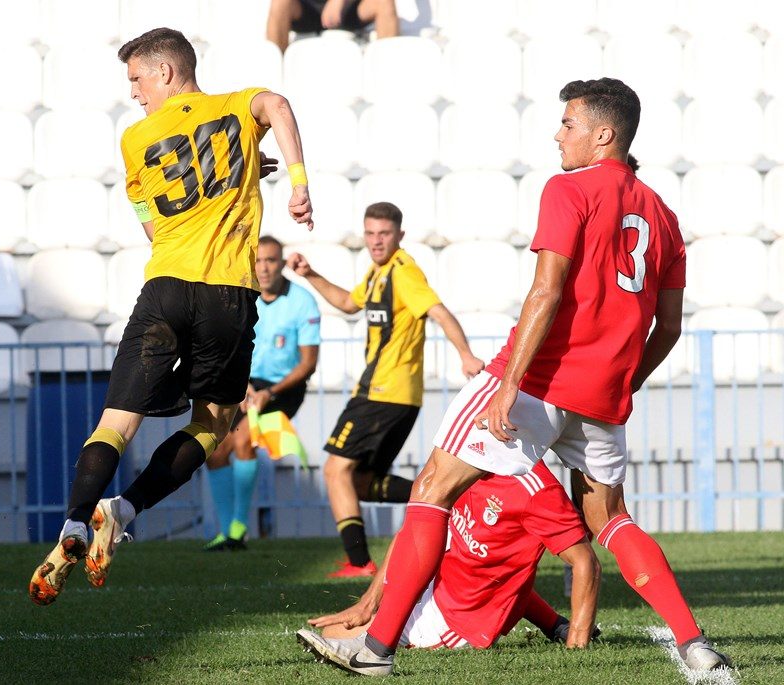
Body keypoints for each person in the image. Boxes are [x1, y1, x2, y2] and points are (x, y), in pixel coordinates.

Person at [302, 78, 732, 675]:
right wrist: (626, 381)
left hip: (537, 381)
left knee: (432, 488)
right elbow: (670, 327)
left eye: (569, 124)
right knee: (611, 519)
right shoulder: (663, 214)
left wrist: (507, 385)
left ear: (603, 135)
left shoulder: (567, 188)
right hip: (602, 397)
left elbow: (546, 290)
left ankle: (375, 650)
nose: (558, 134)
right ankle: (693, 642)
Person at [29, 27, 314, 606]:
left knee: (116, 422)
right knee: (214, 422)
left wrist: (236, 181)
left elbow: (153, 225)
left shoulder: (136, 139)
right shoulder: (236, 106)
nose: (134, 92)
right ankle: (124, 509)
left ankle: (75, 522)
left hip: (165, 289)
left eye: (137, 78)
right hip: (227, 296)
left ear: (164, 71)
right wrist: (296, 183)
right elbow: (280, 106)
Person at [288, 202, 484, 578]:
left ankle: (359, 563)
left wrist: (465, 355)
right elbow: (348, 303)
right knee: (360, 482)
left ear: (399, 235)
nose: (376, 241)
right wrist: (310, 274)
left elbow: (439, 312)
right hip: (388, 394)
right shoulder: (378, 272)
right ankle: (447, 499)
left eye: (384, 234)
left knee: (335, 470)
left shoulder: (404, 272)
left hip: (384, 392)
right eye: (370, 233)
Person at [297, 460, 601, 674]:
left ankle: (378, 655)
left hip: (457, 620)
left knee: (333, 635)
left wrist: (576, 647)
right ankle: (554, 624)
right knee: (331, 631)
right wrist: (369, 601)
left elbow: (585, 562)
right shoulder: (466, 462)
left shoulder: (537, 490)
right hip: (436, 584)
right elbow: (412, 533)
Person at [203, 235, 321, 551]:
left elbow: (308, 363)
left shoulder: (302, 301)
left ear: (282, 264)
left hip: (284, 388)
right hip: (246, 382)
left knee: (243, 439)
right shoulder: (243, 297)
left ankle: (238, 530)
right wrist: (242, 385)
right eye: (259, 260)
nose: (264, 268)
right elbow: (227, 348)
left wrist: (269, 392)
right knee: (215, 450)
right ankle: (226, 532)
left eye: (271, 260)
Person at [266, 0, 399, 53]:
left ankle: (386, 66)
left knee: (384, 3)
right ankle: (276, 67)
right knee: (280, 3)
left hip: (348, 8)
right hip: (308, 10)